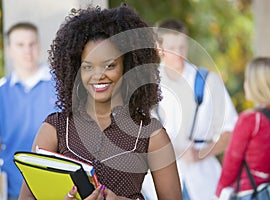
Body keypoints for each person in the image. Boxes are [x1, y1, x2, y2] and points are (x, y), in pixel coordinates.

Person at [18, 4, 181, 200]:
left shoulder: (151, 134)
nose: (98, 75)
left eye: (109, 65)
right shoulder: (56, 128)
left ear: (128, 66)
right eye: (87, 67)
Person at [142, 19, 238, 200]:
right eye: (172, 47)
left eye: (182, 46)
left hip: (202, 182)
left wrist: (202, 153)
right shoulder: (147, 85)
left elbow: (231, 131)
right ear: (158, 48)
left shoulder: (208, 81)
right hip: (155, 185)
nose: (178, 53)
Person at [215, 57, 270, 199]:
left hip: (249, 193)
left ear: (257, 86)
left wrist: (219, 193)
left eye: (248, 79)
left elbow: (232, 163)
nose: (245, 84)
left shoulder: (250, 119)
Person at [0, 22, 57, 199]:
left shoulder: (59, 85)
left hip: (55, 187)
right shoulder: (2, 92)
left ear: (39, 45)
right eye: (20, 45)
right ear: (8, 50)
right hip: (14, 191)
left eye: (32, 44)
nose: (27, 50)